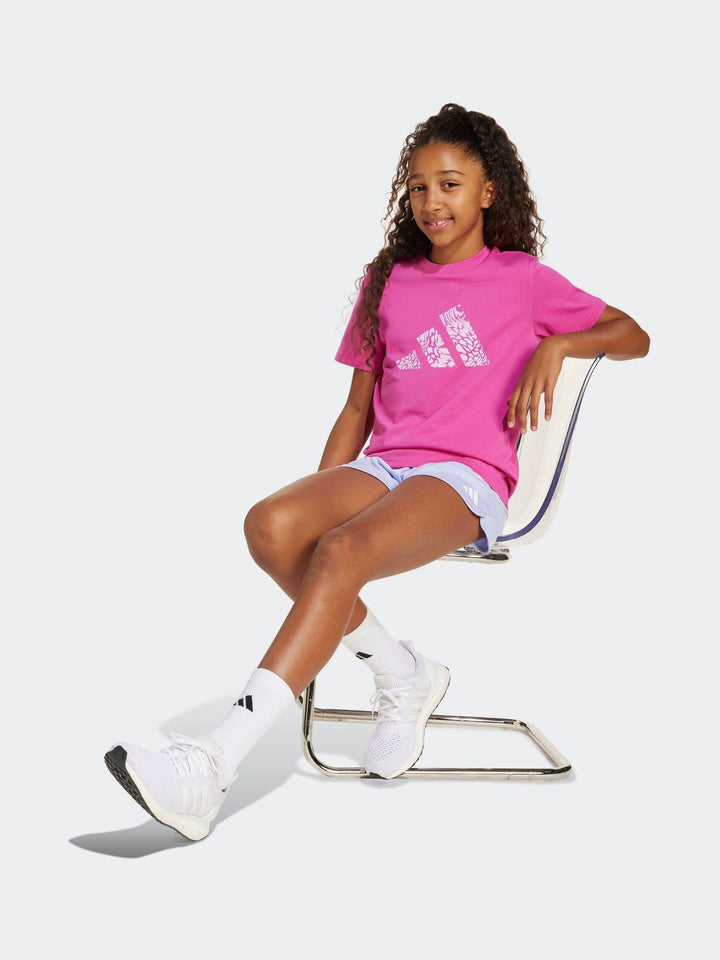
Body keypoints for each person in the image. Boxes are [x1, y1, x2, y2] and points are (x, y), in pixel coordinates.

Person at [105, 103, 650, 841]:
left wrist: (557, 345)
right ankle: (402, 672)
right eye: (419, 187)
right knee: (272, 527)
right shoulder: (386, 280)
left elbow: (634, 335)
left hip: (466, 477)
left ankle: (213, 763)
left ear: (489, 191)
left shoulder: (521, 280)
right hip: (387, 465)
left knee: (339, 552)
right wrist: (317, 496)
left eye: (451, 184)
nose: (432, 202)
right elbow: (358, 406)